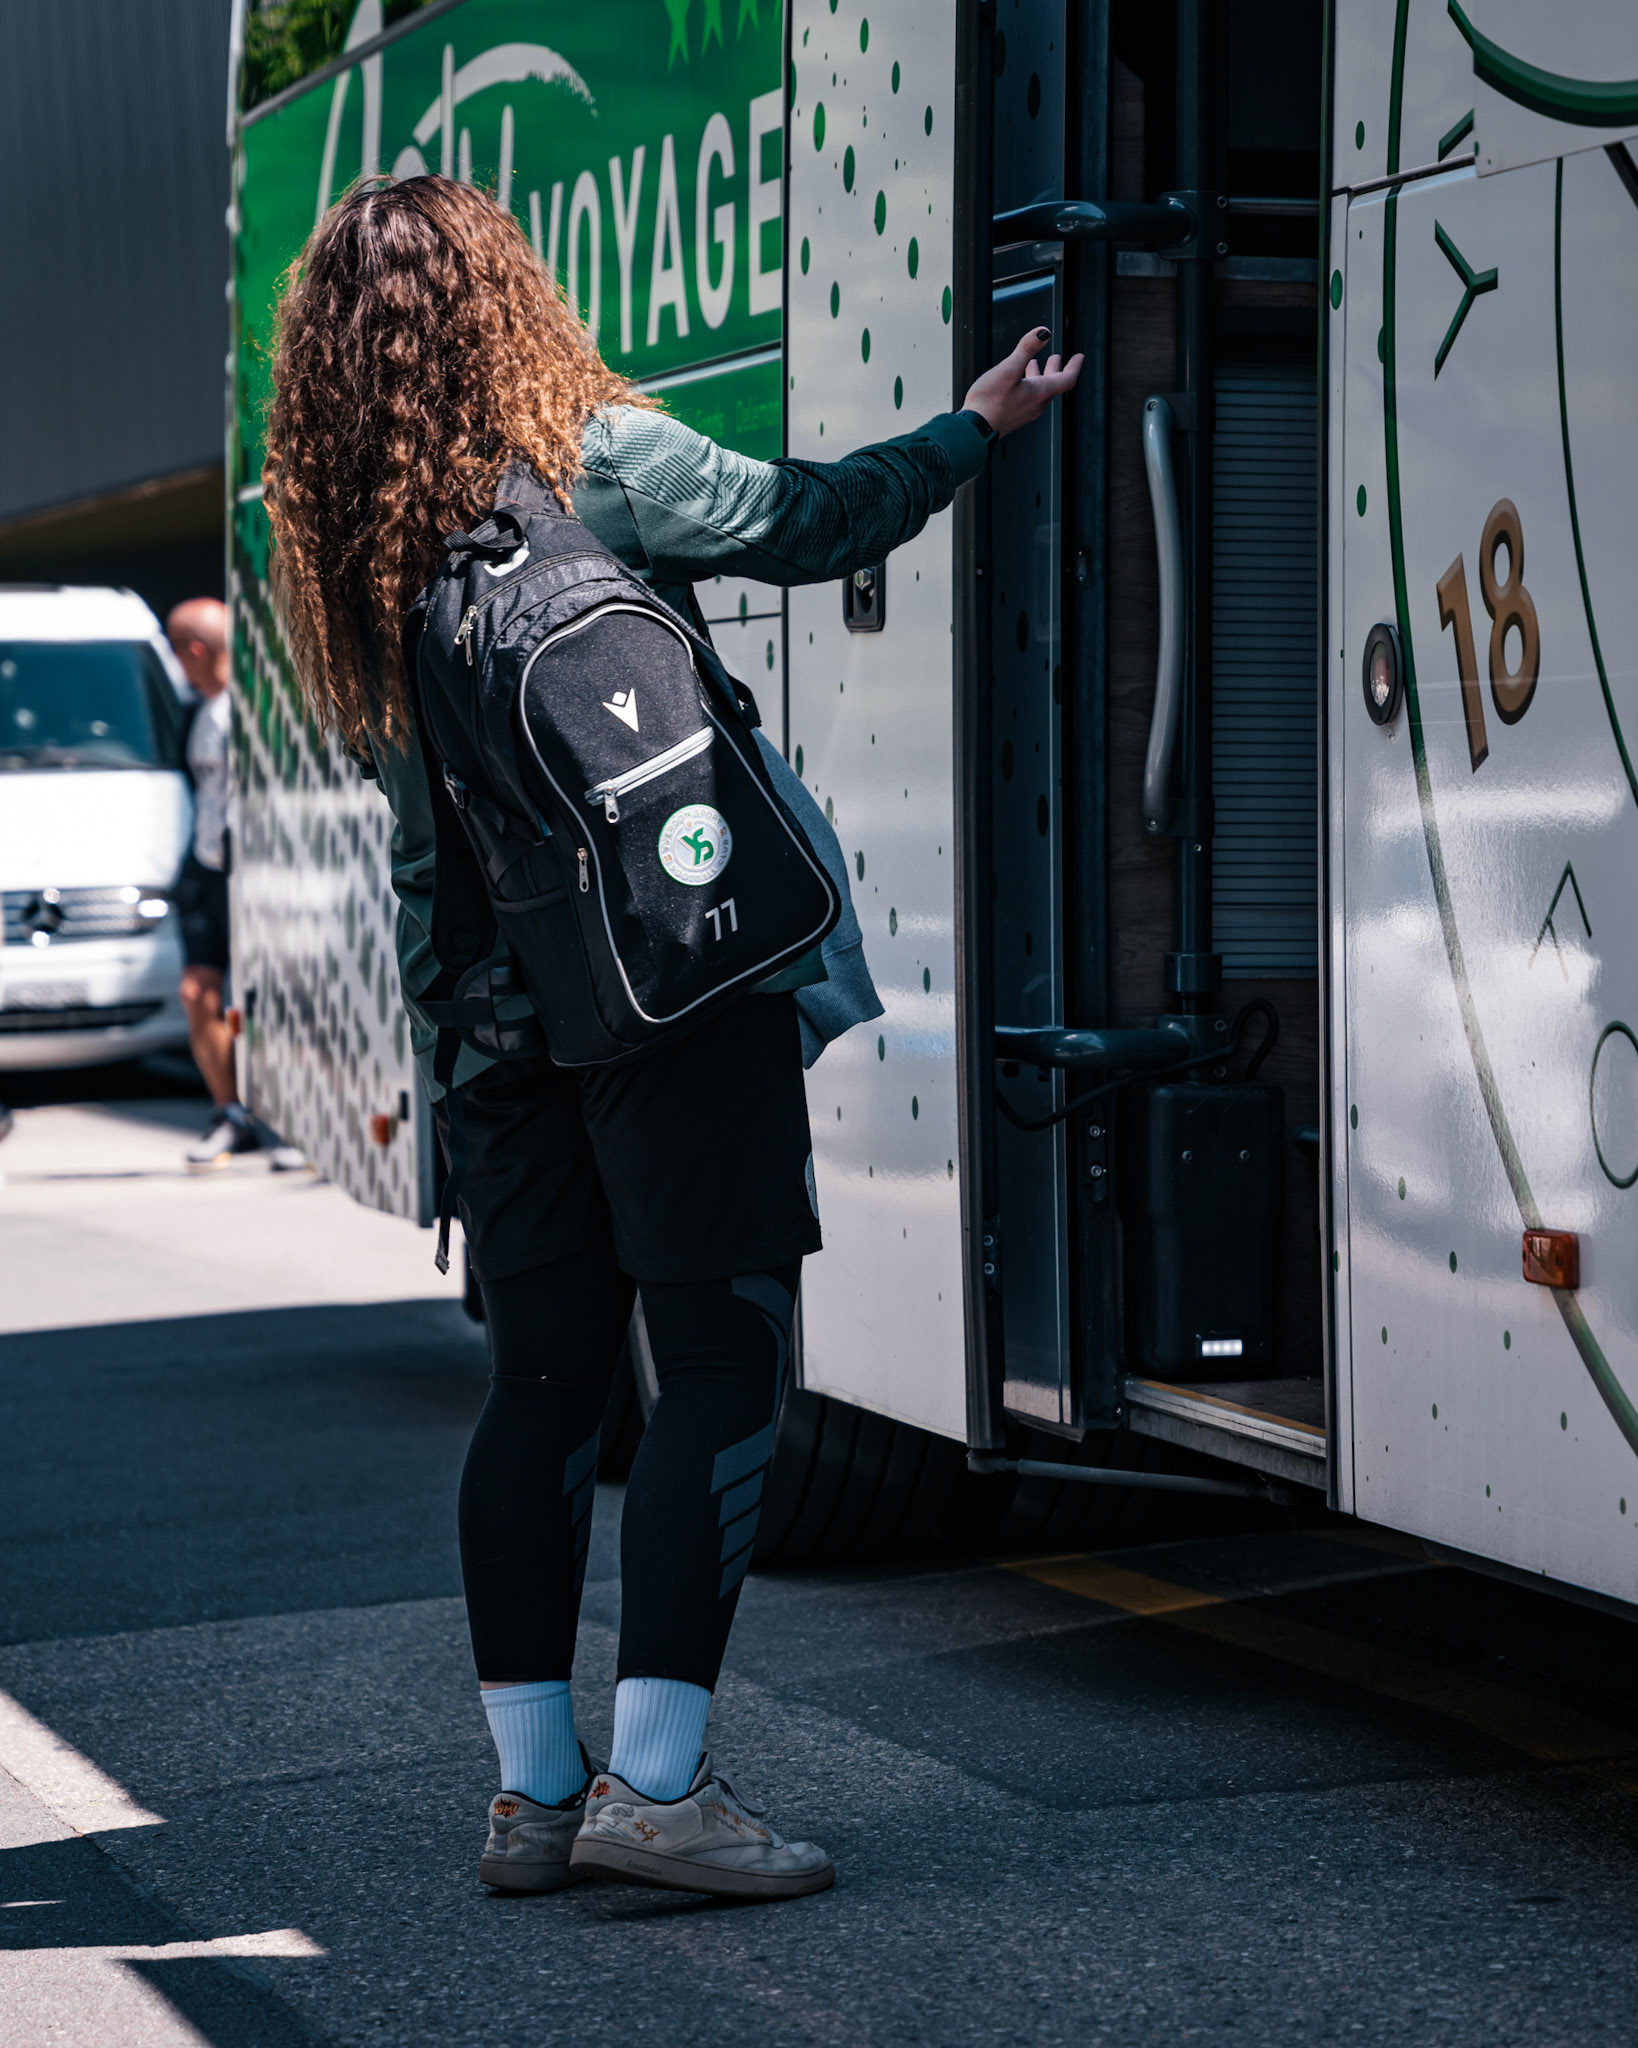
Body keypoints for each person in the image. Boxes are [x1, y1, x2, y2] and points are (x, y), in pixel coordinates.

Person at [263, 176, 1080, 1901]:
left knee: (542, 1380)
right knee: (715, 1363)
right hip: (665, 998)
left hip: (490, 1032)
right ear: (505, 295)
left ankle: (532, 1798)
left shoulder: (348, 534)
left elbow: (422, 835)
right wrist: (973, 424)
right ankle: (661, 1783)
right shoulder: (595, 458)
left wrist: (473, 1016)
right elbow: (808, 518)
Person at [167, 600, 260, 1167]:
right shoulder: (197, 710)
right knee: (197, 992)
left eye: (178, 654)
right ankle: (229, 1113)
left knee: (269, 1000)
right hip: (206, 865)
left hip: (254, 870)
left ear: (194, 652)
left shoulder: (250, 708)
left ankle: (287, 1120)